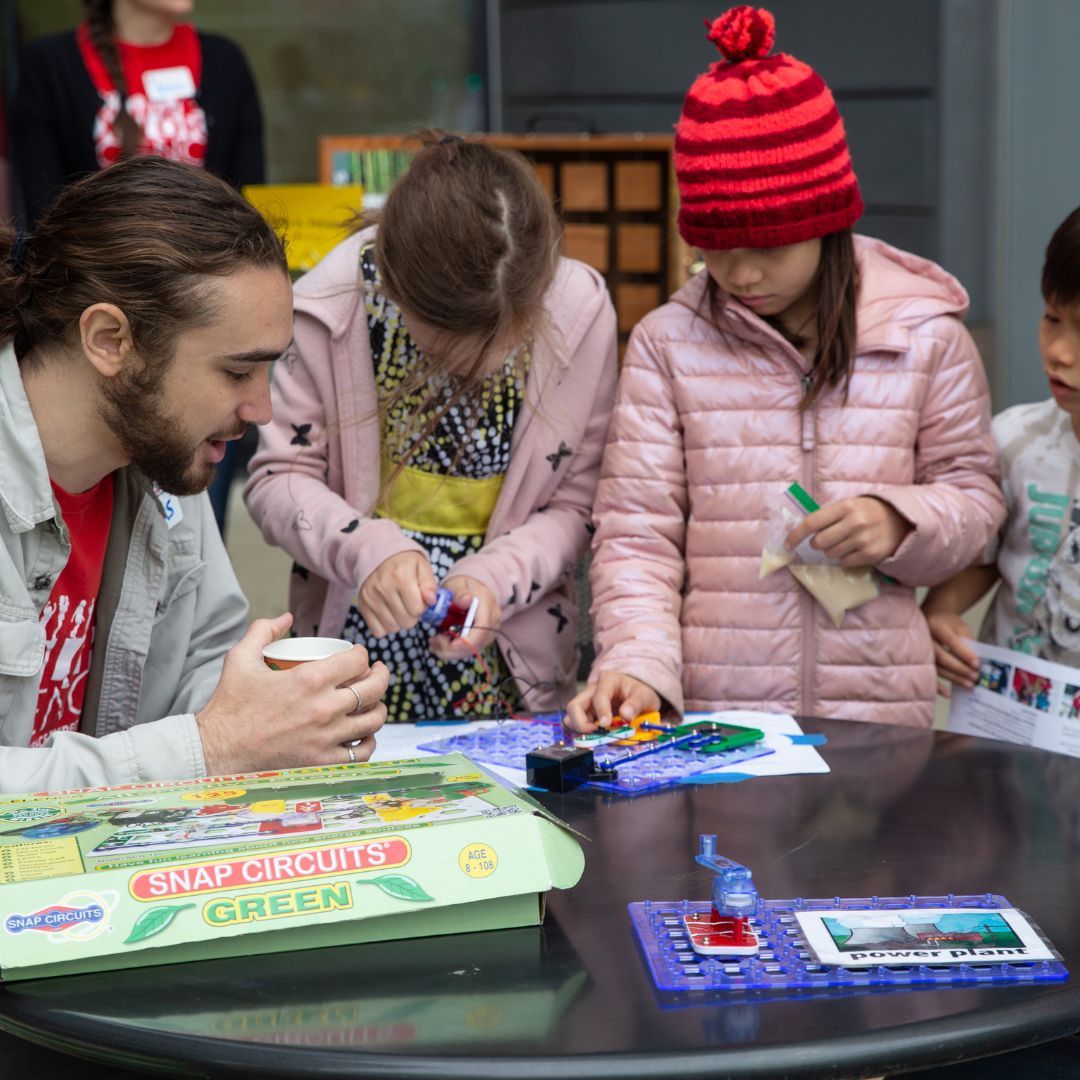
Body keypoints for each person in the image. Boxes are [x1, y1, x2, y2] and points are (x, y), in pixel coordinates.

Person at [566, 5, 1005, 732]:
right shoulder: (668, 344)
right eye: (713, 245)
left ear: (825, 219)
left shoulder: (924, 336)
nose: (739, 272)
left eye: (767, 243)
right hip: (720, 721)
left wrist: (901, 520)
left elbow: (976, 500)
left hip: (880, 723)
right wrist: (638, 664)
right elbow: (636, 533)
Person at [0, 156, 388, 794]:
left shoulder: (159, 462)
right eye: (237, 372)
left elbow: (206, 669)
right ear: (108, 339)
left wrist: (290, 717)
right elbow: (208, 742)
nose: (261, 409)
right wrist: (213, 748)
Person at [244, 133, 618, 722]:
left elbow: (576, 505)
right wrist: (365, 549)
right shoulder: (327, 308)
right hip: (352, 672)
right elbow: (277, 479)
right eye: (450, 347)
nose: (482, 365)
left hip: (514, 673)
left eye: (505, 341)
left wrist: (495, 578)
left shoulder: (580, 311)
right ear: (395, 290)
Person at [10, 0, 267, 535]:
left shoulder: (224, 62)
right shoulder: (52, 63)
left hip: (202, 338)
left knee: (189, 536)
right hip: (99, 341)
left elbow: (248, 218)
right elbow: (43, 222)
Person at [925, 207, 1080, 690]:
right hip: (1008, 731)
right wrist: (939, 610)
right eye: (1051, 317)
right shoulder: (1015, 439)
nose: (1059, 350)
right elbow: (994, 554)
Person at [10, 0, 264, 224]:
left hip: (207, 266)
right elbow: (44, 211)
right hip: (99, 269)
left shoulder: (225, 60)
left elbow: (247, 201)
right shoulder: (50, 64)